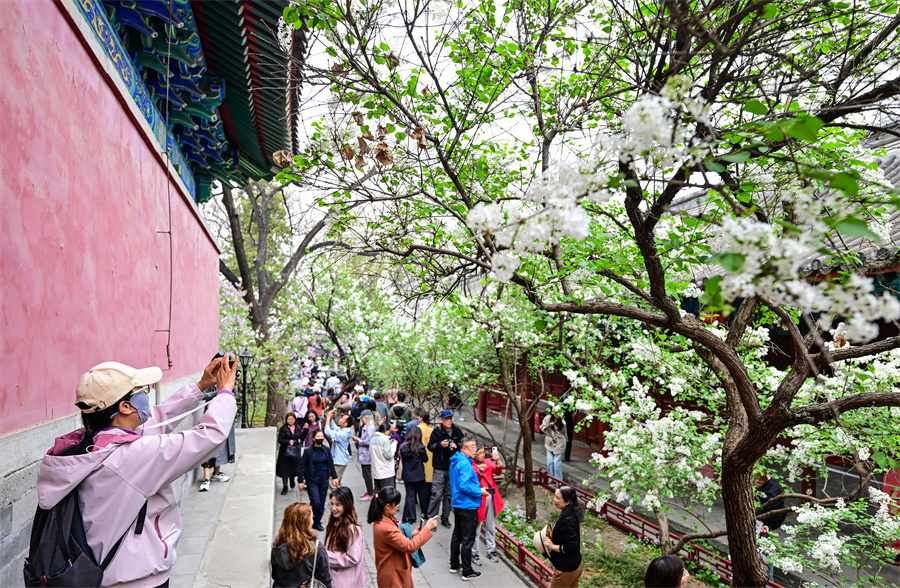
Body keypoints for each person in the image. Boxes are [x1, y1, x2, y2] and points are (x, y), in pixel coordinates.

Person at [36, 356, 238, 588]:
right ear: (125, 407)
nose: (146, 395)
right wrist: (225, 393)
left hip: (102, 574)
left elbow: (157, 420)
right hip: (138, 579)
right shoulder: (132, 457)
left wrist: (200, 387)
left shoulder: (87, 444)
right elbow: (209, 437)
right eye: (142, 391)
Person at [369, 487, 439, 588]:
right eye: (396, 504)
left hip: (392, 571)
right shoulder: (386, 527)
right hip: (393, 578)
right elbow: (410, 546)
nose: (398, 506)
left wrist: (413, 536)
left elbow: (396, 541)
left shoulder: (383, 519)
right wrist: (427, 528)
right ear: (387, 506)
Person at [448, 436, 488, 580]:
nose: (475, 449)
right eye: (472, 447)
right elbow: (464, 486)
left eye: (475, 446)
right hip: (467, 504)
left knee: (457, 535)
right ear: (464, 449)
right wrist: (480, 491)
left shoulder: (456, 460)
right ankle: (467, 571)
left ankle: (454, 564)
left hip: (458, 503)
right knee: (467, 538)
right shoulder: (464, 464)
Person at [271, 502, 333, 588]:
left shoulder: (278, 544)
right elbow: (325, 579)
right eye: (311, 518)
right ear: (305, 523)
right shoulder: (316, 548)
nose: (313, 521)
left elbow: (274, 574)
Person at [427, 409, 463, 529]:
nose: (449, 421)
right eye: (446, 419)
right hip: (439, 467)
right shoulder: (437, 432)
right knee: (436, 494)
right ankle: (432, 519)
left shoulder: (457, 431)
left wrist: (457, 446)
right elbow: (430, 447)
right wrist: (440, 445)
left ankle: (445, 518)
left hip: (452, 468)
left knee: (449, 495)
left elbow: (462, 445)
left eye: (450, 418)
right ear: (441, 420)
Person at [542, 486, 584, 588]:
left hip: (566, 570)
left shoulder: (567, 520)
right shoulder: (570, 514)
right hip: (575, 564)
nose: (554, 499)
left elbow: (571, 547)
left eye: (557, 498)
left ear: (567, 501)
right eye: (554, 496)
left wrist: (552, 546)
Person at [298, 429, 340, 531]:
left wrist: (334, 477)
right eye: (318, 437)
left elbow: (330, 463)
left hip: (324, 479)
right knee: (315, 501)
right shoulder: (308, 451)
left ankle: (317, 521)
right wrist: (300, 480)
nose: (320, 438)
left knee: (321, 503)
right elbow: (302, 466)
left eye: (322, 437)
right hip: (312, 480)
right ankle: (308, 515)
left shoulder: (326, 450)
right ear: (313, 438)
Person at [325, 487, 367, 588]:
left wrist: (325, 555)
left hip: (345, 582)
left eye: (337, 505)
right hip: (336, 578)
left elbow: (352, 558)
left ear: (347, 505)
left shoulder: (352, 529)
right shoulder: (335, 521)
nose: (333, 508)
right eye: (332, 503)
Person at [472, 442, 504, 564]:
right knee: (476, 528)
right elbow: (473, 479)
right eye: (479, 453)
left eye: (483, 452)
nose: (482, 455)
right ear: (474, 453)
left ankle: (491, 550)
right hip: (478, 497)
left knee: (490, 526)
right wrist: (480, 471)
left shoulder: (488, 462)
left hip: (490, 496)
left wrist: (498, 460)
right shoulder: (471, 465)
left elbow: (498, 471)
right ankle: (474, 552)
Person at [399, 426, 429, 523]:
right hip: (419, 475)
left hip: (407, 475)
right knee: (422, 494)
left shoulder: (403, 446)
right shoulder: (420, 448)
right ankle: (425, 511)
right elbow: (425, 459)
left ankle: (411, 516)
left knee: (410, 495)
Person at [325, 409, 355, 485]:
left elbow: (327, 432)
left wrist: (328, 418)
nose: (340, 419)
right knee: (337, 482)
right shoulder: (343, 430)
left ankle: (337, 493)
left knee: (333, 483)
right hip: (338, 460)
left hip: (339, 461)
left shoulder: (343, 434)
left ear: (345, 424)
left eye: (342, 419)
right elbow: (334, 428)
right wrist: (331, 418)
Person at [277, 411, 304, 495]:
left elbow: (301, 437)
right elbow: (280, 440)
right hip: (285, 452)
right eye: (289, 419)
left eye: (292, 419)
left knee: (293, 467)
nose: (291, 421)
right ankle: (285, 486)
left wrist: (306, 430)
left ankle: (292, 479)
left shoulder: (297, 428)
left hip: (294, 451)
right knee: (284, 470)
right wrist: (288, 442)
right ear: (286, 420)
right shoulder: (283, 429)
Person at [354, 410, 376, 500]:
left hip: (367, 455)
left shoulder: (370, 428)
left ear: (366, 418)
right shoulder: (367, 426)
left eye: (362, 419)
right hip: (364, 455)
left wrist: (358, 440)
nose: (361, 420)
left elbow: (369, 442)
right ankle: (369, 491)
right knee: (365, 474)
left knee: (367, 475)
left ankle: (370, 493)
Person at [371, 422, 398, 493]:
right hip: (386, 472)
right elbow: (389, 455)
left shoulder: (373, 439)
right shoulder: (385, 440)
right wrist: (394, 445)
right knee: (388, 494)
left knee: (378, 493)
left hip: (376, 472)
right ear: (386, 430)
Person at [541, 413, 567, 481]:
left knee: (556, 463)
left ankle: (558, 480)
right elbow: (542, 427)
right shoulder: (548, 418)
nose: (557, 414)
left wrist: (566, 441)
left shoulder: (562, 420)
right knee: (549, 463)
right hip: (550, 443)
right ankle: (551, 478)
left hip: (559, 443)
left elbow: (564, 432)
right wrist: (547, 426)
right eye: (555, 412)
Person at [416, 410, 435, 500]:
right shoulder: (431, 430)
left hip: (419, 455)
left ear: (421, 418)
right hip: (430, 455)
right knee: (429, 480)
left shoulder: (417, 429)